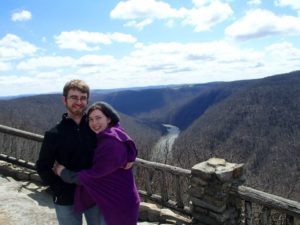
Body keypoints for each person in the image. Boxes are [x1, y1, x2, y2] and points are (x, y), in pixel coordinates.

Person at [54, 101, 140, 225]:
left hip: (119, 204)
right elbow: (129, 149)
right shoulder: (115, 133)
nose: (94, 123)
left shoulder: (110, 143)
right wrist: (131, 157)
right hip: (122, 198)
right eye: (91, 119)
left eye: (98, 118)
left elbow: (93, 175)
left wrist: (62, 172)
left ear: (109, 118)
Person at [36, 79, 105, 225]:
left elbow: (119, 141)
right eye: (74, 97)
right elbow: (43, 166)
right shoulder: (54, 134)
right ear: (64, 100)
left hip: (95, 193)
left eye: (83, 98)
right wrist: (58, 188)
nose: (79, 102)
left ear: (87, 100)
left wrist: (130, 154)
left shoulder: (96, 127)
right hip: (66, 198)